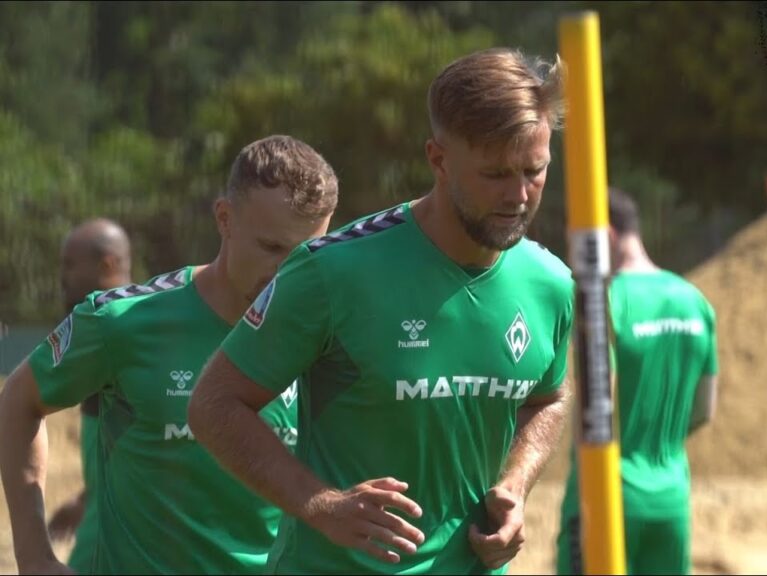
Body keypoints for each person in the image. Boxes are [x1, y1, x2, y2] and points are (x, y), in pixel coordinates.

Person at [187, 47, 573, 575]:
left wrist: (515, 484)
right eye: (495, 174)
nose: (519, 195)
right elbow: (213, 405)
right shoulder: (333, 271)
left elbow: (547, 400)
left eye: (535, 170)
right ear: (438, 160)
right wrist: (322, 506)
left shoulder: (550, 284)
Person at [0, 135, 338, 574]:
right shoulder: (126, 321)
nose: (284, 274)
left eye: (303, 254)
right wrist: (33, 554)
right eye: (270, 248)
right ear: (224, 218)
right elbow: (19, 400)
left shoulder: (328, 328)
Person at [556, 187, 719, 575]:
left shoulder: (605, 302)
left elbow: (597, 406)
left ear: (605, 236)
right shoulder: (694, 301)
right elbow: (704, 410)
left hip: (607, 494)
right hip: (672, 498)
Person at [45, 218, 132, 572]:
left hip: (113, 535)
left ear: (107, 264)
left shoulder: (112, 324)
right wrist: (88, 498)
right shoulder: (116, 324)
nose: (62, 277)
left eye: (70, 264)